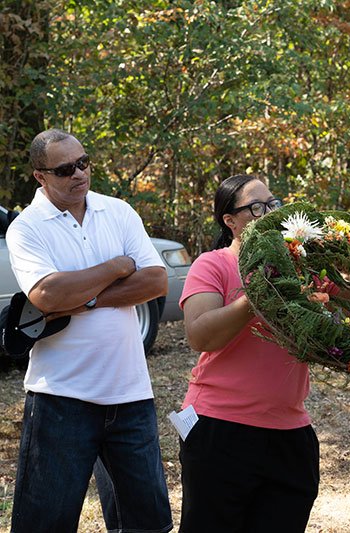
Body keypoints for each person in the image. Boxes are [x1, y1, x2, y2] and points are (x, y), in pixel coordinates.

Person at [7, 128, 172, 532]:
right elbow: (48, 293)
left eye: (84, 162)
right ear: (40, 177)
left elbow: (155, 282)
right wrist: (116, 267)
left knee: (146, 523)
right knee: (44, 523)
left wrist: (87, 298)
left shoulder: (117, 211)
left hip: (130, 394)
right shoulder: (27, 228)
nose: (79, 173)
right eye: (65, 169)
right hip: (61, 399)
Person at [177, 174, 319, 532]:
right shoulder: (213, 265)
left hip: (290, 434)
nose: (270, 214)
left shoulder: (299, 269)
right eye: (257, 208)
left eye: (274, 204)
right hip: (220, 431)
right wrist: (256, 297)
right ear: (230, 220)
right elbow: (200, 334)